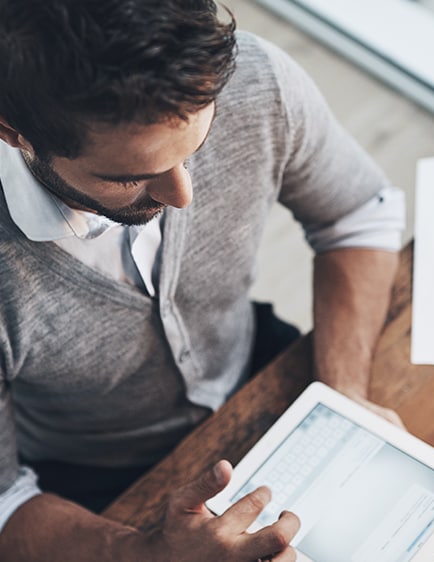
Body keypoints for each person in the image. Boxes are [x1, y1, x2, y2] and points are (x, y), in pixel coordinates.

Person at [0, 0, 405, 559]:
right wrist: (147, 553)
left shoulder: (257, 80)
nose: (181, 196)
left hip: (272, 372)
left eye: (197, 147)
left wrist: (344, 394)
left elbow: (358, 211)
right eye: (131, 178)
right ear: (12, 131)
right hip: (92, 485)